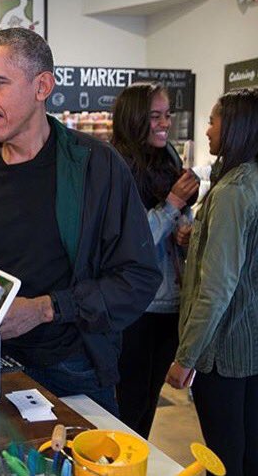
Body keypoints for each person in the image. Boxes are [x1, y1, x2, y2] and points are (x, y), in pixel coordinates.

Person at [0, 28, 161, 414]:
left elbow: (138, 277)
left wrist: (46, 308)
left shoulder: (97, 168)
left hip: (76, 370)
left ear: (42, 86)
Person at [165, 88, 258, 476]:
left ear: (236, 126)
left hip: (224, 346)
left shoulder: (233, 191)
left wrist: (185, 357)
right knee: (252, 444)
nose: (207, 130)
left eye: (212, 121)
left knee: (222, 455)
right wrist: (200, 238)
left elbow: (216, 288)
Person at [111, 81, 200, 438]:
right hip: (135, 307)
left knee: (148, 406)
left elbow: (177, 218)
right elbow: (131, 242)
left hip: (169, 304)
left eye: (167, 115)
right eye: (155, 116)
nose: (165, 124)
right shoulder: (116, 168)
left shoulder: (169, 159)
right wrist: (172, 206)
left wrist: (185, 229)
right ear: (135, 119)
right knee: (128, 405)